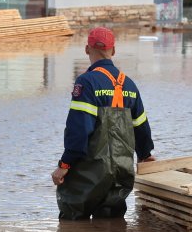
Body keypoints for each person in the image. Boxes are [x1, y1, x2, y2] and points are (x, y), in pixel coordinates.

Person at [51, 27, 155, 220]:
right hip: (121, 172)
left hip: (89, 172)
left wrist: (64, 164)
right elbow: (140, 125)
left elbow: (79, 129)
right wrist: (145, 155)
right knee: (113, 226)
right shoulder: (130, 85)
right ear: (113, 51)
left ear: (87, 49)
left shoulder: (87, 82)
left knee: (73, 227)